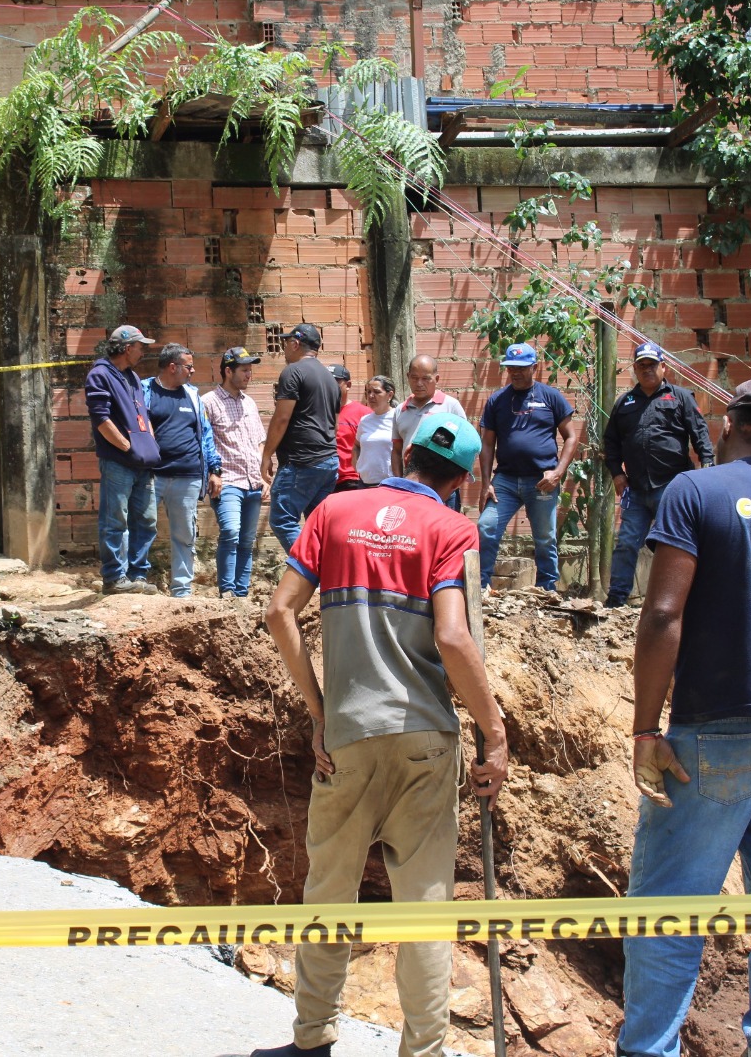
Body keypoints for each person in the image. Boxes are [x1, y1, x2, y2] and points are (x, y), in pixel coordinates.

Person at [259, 413, 508, 1057]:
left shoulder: (335, 511)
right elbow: (453, 637)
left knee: (329, 891)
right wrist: (495, 731)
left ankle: (311, 1040)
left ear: (402, 451)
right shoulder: (454, 531)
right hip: (426, 739)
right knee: (426, 909)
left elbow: (279, 610)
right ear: (463, 478)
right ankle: (422, 1050)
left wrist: (319, 712)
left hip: (346, 736)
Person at [617, 377, 751, 1057]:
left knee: (668, 911)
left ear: (724, 424)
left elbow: (661, 614)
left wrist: (645, 729)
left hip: (714, 730)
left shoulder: (695, 492)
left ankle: (649, 1049)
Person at [602, 344, 715, 608]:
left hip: (673, 487)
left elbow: (700, 434)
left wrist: (707, 467)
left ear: (663, 367)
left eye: (652, 364)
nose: (647, 369)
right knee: (627, 543)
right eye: (642, 365)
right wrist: (617, 474)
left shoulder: (680, 397)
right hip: (637, 490)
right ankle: (616, 599)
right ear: (635, 370)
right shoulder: (625, 403)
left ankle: (685, 601)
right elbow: (611, 443)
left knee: (676, 544)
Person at [476, 343, 579, 594]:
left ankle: (547, 589)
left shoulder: (551, 396)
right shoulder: (497, 400)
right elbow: (487, 444)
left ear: (534, 367)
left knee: (545, 537)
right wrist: (486, 482)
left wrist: (558, 472)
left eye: (521, 368)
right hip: (505, 481)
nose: (515, 372)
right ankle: (479, 586)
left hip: (541, 480)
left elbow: (571, 437)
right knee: (486, 526)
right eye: (511, 367)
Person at [87, 325, 161, 594]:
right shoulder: (100, 375)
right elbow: (101, 419)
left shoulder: (132, 376)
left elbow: (145, 415)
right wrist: (127, 447)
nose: (143, 351)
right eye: (141, 347)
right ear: (128, 348)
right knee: (115, 520)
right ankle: (114, 578)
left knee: (146, 520)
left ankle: (137, 575)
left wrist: (149, 444)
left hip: (143, 462)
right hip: (119, 461)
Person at [142, 344, 221, 598]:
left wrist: (214, 469)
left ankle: (182, 589)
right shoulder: (144, 391)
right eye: (188, 366)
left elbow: (206, 435)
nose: (193, 371)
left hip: (188, 476)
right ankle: (135, 580)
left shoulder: (192, 396)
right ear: (172, 367)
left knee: (185, 533)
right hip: (152, 475)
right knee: (143, 527)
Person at [261, 324, 339, 553]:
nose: (285, 349)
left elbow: (282, 418)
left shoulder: (293, 372)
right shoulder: (330, 378)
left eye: (286, 343)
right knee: (319, 527)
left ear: (295, 344)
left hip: (302, 462)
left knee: (282, 520)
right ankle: (329, 579)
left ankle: (309, 572)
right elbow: (333, 421)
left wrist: (267, 455)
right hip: (328, 461)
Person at [201, 347, 265, 600]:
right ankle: (226, 591)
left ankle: (241, 593)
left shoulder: (249, 402)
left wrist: (264, 476)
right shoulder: (208, 402)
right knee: (230, 532)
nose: (249, 375)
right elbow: (203, 442)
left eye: (250, 370)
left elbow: (260, 441)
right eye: (244, 370)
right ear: (228, 371)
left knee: (247, 541)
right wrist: (211, 473)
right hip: (227, 481)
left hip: (253, 482)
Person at [392, 355, 468, 509]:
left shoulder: (450, 406)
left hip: (442, 486)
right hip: (411, 486)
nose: (419, 383)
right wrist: (399, 480)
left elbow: (464, 445)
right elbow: (396, 450)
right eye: (414, 378)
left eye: (426, 378)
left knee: (445, 528)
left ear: (437, 378)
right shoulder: (401, 410)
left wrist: (452, 481)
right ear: (408, 377)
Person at [330, 365, 371, 493]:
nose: (329, 386)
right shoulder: (317, 412)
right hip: (322, 480)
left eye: (335, 382)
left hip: (350, 480)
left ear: (348, 385)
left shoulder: (364, 413)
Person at [353, 375, 397, 487]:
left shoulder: (398, 418)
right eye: (368, 392)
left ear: (390, 395)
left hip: (389, 484)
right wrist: (358, 467)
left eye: (376, 392)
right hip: (364, 484)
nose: (371, 396)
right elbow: (357, 445)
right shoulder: (365, 420)